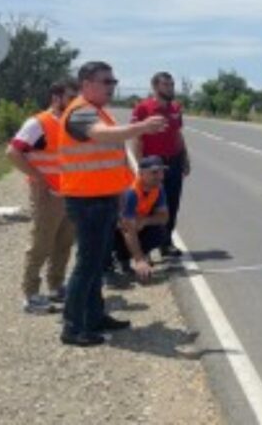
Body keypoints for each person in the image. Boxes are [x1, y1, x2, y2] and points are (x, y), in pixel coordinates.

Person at [58, 61, 166, 347]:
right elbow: (100, 134)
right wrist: (140, 127)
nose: (112, 86)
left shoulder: (98, 111)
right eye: (106, 81)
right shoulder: (80, 112)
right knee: (87, 265)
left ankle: (94, 317)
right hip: (86, 201)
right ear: (86, 84)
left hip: (102, 199)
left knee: (96, 265)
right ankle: (73, 327)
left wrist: (121, 202)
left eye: (113, 81)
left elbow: (111, 161)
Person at [6, 79, 79, 314]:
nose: (75, 102)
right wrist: (39, 178)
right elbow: (13, 152)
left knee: (64, 242)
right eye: (71, 97)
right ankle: (31, 295)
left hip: (69, 192)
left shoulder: (70, 122)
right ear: (56, 98)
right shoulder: (38, 123)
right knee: (42, 243)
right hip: (47, 194)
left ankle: (56, 286)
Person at [131, 72, 190, 259]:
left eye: (172, 84)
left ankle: (166, 243)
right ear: (155, 87)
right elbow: (137, 138)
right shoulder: (143, 108)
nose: (171, 88)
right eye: (166, 85)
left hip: (173, 162)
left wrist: (185, 159)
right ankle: (145, 248)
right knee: (149, 206)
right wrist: (141, 166)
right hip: (152, 164)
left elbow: (178, 135)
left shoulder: (175, 108)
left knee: (171, 204)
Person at [111, 156, 170, 284]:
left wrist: (144, 221)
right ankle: (122, 259)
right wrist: (139, 260)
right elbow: (127, 230)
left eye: (161, 172)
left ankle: (140, 256)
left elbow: (164, 217)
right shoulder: (131, 192)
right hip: (120, 229)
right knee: (115, 234)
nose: (160, 176)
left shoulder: (158, 188)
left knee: (160, 232)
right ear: (141, 174)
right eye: (154, 172)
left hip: (138, 224)